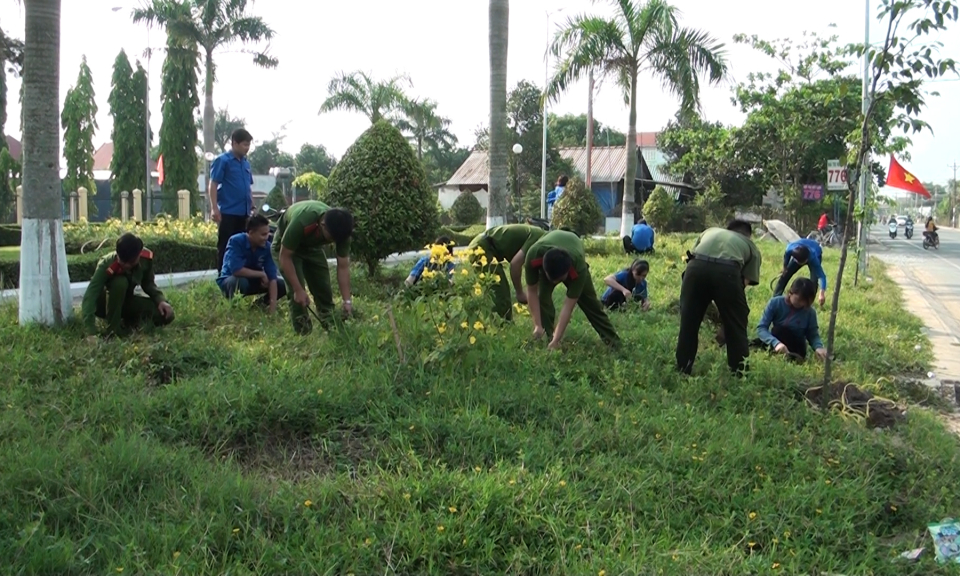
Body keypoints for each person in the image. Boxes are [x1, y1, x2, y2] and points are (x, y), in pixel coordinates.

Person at [676, 219, 762, 376]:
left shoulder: (709, 231)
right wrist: (729, 314)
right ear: (747, 236)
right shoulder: (750, 246)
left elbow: (694, 256)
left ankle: (683, 368)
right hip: (727, 272)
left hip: (694, 269)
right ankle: (739, 373)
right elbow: (744, 282)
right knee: (737, 325)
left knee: (689, 323)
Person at [524, 229, 620, 349]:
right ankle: (545, 338)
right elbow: (531, 291)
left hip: (573, 247)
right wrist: (537, 325)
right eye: (552, 279)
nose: (555, 283)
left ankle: (614, 343)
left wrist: (557, 339)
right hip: (550, 249)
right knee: (542, 297)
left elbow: (568, 307)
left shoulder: (578, 268)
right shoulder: (533, 255)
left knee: (591, 305)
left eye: (559, 279)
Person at [273, 200, 354, 334]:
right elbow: (285, 257)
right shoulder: (302, 220)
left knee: (323, 289)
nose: (333, 242)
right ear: (323, 225)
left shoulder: (342, 232)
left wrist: (347, 301)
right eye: (331, 238)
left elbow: (343, 266)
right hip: (286, 248)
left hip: (312, 248)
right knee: (297, 295)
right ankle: (303, 333)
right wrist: (298, 289)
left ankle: (332, 329)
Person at [81, 233, 174, 338]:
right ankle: (113, 330)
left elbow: (148, 283)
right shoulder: (106, 263)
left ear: (139, 254)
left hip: (125, 301)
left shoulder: (145, 259)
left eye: (131, 262)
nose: (126, 265)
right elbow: (91, 295)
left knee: (165, 315)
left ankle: (129, 324)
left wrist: (160, 300)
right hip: (104, 305)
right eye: (122, 261)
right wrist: (90, 331)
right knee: (119, 283)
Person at [467, 223, 546, 319]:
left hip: (485, 244)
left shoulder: (543, 241)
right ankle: (502, 327)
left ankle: (498, 323)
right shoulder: (538, 237)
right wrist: (519, 292)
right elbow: (515, 264)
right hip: (481, 248)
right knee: (500, 291)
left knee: (496, 290)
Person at [216, 215, 286, 311]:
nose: (266, 237)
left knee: (282, 284)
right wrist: (261, 274)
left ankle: (259, 306)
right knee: (239, 282)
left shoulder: (267, 247)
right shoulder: (236, 241)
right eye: (263, 234)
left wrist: (272, 307)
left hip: (255, 281)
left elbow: (272, 277)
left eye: (268, 234)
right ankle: (235, 307)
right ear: (251, 233)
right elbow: (236, 270)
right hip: (231, 280)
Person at [209, 128, 255, 273]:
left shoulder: (246, 164)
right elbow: (213, 184)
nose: (247, 148)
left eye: (248, 145)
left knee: (243, 245)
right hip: (228, 212)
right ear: (234, 143)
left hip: (244, 212)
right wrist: (214, 208)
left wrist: (252, 205)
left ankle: (240, 275)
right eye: (244, 145)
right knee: (225, 245)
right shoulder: (223, 160)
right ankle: (222, 276)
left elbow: (248, 187)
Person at [754, 278, 827, 361]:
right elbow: (761, 328)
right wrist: (775, 343)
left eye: (806, 302)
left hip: (796, 346)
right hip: (777, 339)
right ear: (790, 293)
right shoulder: (775, 303)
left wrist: (818, 347)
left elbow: (813, 334)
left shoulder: (810, 312)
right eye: (799, 300)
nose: (802, 304)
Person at [773, 238, 827, 307]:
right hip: (800, 250)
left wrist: (821, 293)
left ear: (806, 260)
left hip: (815, 250)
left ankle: (808, 303)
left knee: (814, 280)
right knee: (785, 275)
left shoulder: (813, 258)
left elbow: (822, 276)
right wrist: (785, 267)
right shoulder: (790, 249)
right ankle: (776, 297)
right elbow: (787, 256)